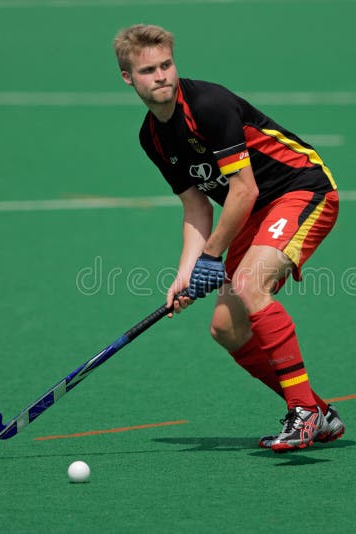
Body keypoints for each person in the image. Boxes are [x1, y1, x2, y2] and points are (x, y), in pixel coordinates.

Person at [113, 24, 344, 452]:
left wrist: (211, 257)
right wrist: (184, 274)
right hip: (253, 212)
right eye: (148, 70)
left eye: (166, 64)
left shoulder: (209, 105)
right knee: (226, 329)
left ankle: (303, 413)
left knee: (249, 283)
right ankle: (319, 413)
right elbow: (197, 207)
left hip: (301, 189)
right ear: (128, 77)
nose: (162, 75)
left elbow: (244, 189)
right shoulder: (152, 138)